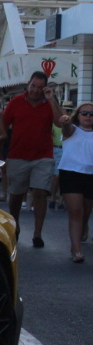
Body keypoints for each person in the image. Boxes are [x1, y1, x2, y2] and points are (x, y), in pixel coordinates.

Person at [0, 71, 64, 247]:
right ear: (28, 84)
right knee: (16, 195)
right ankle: (16, 225)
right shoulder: (16, 102)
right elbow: (3, 123)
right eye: (33, 86)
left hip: (43, 156)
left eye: (40, 87)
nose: (35, 90)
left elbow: (59, 122)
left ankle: (37, 234)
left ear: (45, 88)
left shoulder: (49, 103)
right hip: (18, 155)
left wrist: (52, 99)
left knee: (40, 193)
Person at [56, 102, 93, 263]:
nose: (88, 116)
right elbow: (65, 127)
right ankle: (76, 249)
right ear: (78, 115)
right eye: (84, 113)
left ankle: (83, 228)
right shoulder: (72, 130)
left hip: (90, 175)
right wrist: (65, 120)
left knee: (85, 212)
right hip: (71, 173)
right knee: (75, 211)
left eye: (91, 114)